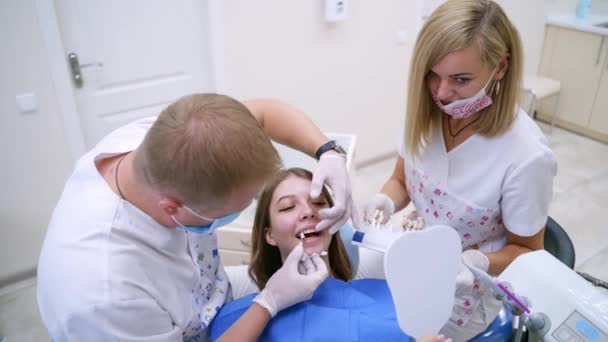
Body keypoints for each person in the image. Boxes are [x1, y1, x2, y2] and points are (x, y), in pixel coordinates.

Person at [37, 94, 352, 341]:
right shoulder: (105, 294)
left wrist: (328, 152)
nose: (308, 212)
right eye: (235, 209)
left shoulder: (174, 136)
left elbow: (266, 112)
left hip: (210, 301)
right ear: (172, 207)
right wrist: (267, 303)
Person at [352, 0, 557, 340]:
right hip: (417, 252)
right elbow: (401, 180)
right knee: (346, 292)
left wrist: (477, 261)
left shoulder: (527, 156)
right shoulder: (427, 112)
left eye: (460, 79)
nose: (442, 93)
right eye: (433, 74)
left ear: (501, 67)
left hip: (467, 289)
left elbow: (528, 251)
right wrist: (383, 202)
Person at [210, 168, 452, 342]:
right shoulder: (237, 319)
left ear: (335, 219)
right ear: (269, 234)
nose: (308, 212)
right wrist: (268, 303)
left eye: (319, 203)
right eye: (288, 206)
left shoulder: (394, 302)